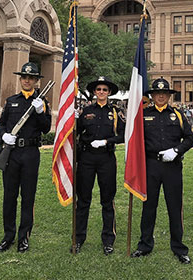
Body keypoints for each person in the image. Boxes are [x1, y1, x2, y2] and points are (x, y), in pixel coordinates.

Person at [130, 78, 193, 264]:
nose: (160, 96)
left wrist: (176, 151)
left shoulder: (178, 115)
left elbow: (190, 139)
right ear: (152, 95)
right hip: (150, 166)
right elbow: (135, 139)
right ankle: (145, 245)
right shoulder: (143, 114)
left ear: (168, 96)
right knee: (149, 206)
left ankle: (179, 248)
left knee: (175, 207)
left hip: (172, 167)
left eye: (164, 93)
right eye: (157, 93)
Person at [0, 62, 51, 252]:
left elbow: (46, 128)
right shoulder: (11, 100)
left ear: (36, 81)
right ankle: (8, 236)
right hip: (11, 154)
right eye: (24, 77)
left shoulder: (42, 102)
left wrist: (39, 112)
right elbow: (1, 124)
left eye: (31, 78)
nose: (27, 80)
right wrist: (4, 135)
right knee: (9, 196)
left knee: (28, 197)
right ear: (21, 79)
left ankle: (24, 237)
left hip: (30, 153)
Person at [73, 76, 125, 255]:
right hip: (87, 157)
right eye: (98, 89)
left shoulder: (116, 113)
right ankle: (78, 239)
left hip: (106, 158)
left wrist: (105, 141)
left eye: (104, 90)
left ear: (109, 92)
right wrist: (71, 120)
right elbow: (76, 132)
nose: (101, 92)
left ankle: (108, 240)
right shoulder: (86, 110)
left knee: (107, 201)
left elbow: (123, 135)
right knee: (83, 200)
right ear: (94, 92)